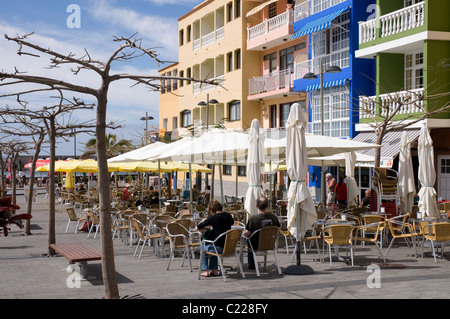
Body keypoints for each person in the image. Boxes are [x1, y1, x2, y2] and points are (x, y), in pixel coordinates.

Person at [195, 200, 234, 277]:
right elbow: (231, 223)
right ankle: (214, 270)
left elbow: (198, 227)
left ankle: (205, 270)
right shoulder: (228, 216)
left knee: (202, 246)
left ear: (212, 210)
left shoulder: (214, 218)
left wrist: (205, 227)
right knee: (213, 245)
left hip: (218, 248)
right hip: (228, 247)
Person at [244, 196, 280, 270]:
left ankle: (252, 264)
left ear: (257, 206)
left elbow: (247, 233)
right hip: (270, 244)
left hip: (256, 246)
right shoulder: (274, 217)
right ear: (267, 205)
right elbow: (277, 229)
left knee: (247, 240)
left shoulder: (253, 218)